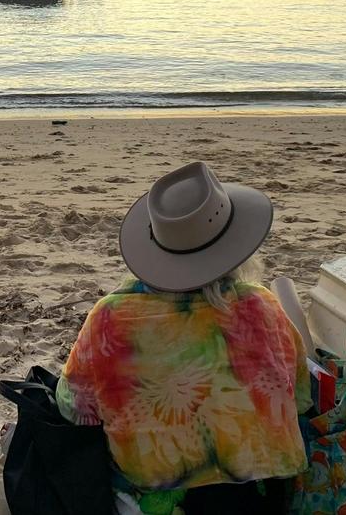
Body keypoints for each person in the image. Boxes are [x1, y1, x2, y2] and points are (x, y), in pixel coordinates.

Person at [56, 161, 310, 515]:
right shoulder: (263, 306)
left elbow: (76, 410)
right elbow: (300, 397)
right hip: (261, 501)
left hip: (159, 502)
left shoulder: (110, 318)